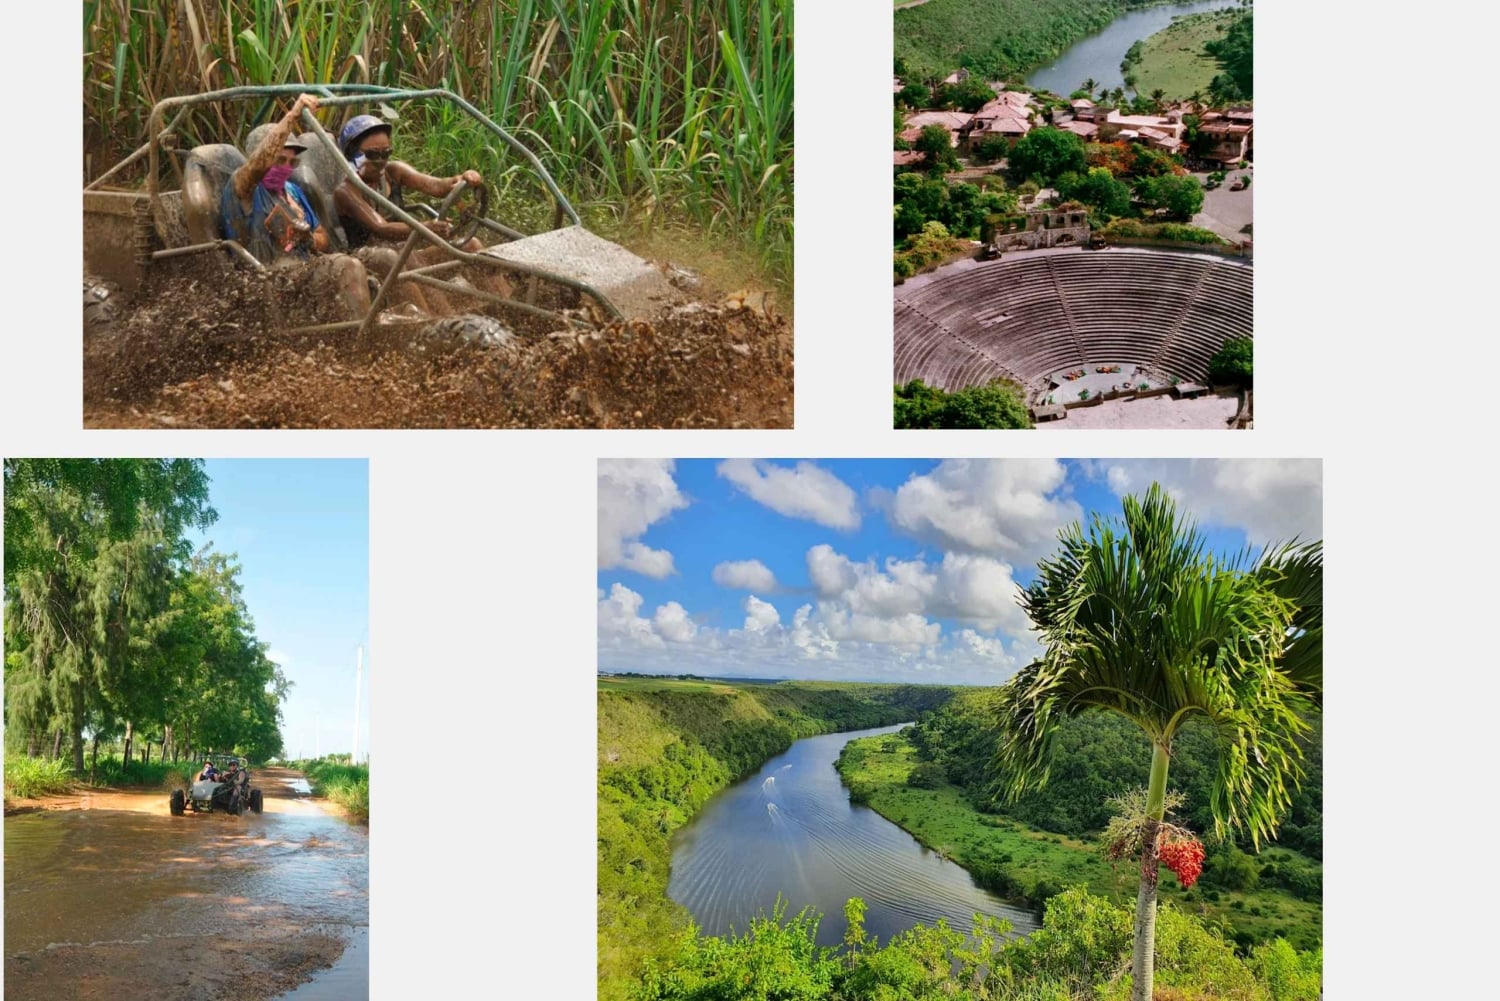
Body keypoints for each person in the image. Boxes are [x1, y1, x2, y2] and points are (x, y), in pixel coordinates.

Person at [333, 115, 508, 313]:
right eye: (373, 155)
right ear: (353, 154)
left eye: (387, 153)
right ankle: (442, 321)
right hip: (370, 264)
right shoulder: (346, 191)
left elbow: (436, 185)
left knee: (470, 245)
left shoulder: (393, 172)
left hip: (405, 252)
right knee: (407, 257)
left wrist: (462, 179)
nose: (381, 161)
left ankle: (507, 307)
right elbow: (381, 228)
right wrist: (425, 228)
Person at [219, 93, 371, 317]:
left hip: (302, 269)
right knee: (347, 267)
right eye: (280, 160)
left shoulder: (292, 191)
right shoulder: (245, 188)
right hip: (268, 278)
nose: (286, 167)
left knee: (381, 259)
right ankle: (367, 340)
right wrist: (293, 115)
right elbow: (259, 164)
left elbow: (322, 236)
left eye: (292, 162)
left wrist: (307, 238)